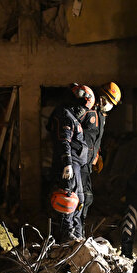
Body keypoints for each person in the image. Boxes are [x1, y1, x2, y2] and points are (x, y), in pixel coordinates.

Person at [48, 83, 95, 242]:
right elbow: (64, 141)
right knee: (68, 199)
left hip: (76, 164)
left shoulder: (71, 117)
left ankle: (77, 236)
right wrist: (67, 163)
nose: (84, 112)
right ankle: (67, 236)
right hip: (71, 163)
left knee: (79, 200)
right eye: (84, 108)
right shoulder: (65, 116)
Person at [79, 81, 121, 227]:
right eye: (110, 102)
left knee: (86, 198)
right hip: (80, 161)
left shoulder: (101, 116)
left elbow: (95, 139)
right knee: (83, 197)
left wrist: (98, 156)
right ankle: (75, 231)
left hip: (88, 162)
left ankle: (79, 229)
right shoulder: (88, 111)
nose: (110, 106)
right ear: (102, 97)